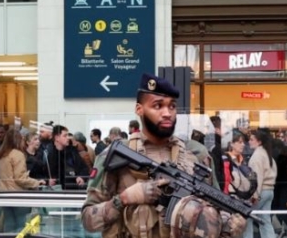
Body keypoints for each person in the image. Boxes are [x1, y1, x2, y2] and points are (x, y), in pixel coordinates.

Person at [81, 73, 247, 238]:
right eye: (158, 106)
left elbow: (215, 210)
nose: (167, 113)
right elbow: (88, 220)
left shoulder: (196, 153)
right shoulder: (116, 155)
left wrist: (228, 226)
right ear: (139, 109)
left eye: (172, 106)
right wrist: (124, 198)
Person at [0, 128, 45, 232]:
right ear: (18, 140)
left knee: (8, 222)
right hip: (17, 194)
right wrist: (36, 182)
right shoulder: (17, 154)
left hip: (4, 193)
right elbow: (20, 178)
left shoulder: (2, 155)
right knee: (21, 224)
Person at [244, 129, 277, 238]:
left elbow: (257, 178)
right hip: (269, 190)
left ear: (259, 142)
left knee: (246, 216)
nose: (249, 141)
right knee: (265, 220)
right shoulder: (268, 155)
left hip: (260, 191)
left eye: (252, 139)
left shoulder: (257, 156)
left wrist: (254, 195)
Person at [44, 124, 90, 189]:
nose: (68, 138)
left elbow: (84, 168)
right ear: (57, 138)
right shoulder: (47, 153)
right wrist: (47, 181)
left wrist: (81, 177)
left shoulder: (72, 151)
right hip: (55, 191)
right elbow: (41, 173)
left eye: (68, 135)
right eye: (65, 136)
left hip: (72, 189)